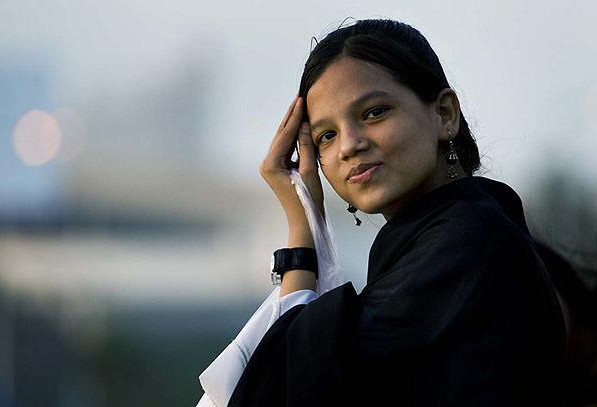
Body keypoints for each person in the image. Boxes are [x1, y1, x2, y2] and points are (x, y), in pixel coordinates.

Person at [198, 18, 588, 406]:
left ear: (445, 114)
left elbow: (285, 387)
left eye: (374, 112)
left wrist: (303, 228)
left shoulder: (466, 241)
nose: (349, 145)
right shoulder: (446, 239)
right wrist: (305, 212)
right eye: (326, 136)